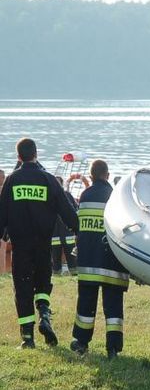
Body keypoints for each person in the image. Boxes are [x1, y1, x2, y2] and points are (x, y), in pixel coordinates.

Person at [0, 138, 78, 348]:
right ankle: (44, 314)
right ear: (36, 154)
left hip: (21, 247)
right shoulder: (49, 180)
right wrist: (78, 229)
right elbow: (68, 213)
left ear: (18, 157)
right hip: (43, 245)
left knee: (22, 288)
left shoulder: (11, 181)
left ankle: (28, 338)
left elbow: (1, 216)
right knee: (43, 284)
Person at [70, 159, 130, 358]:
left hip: (88, 263)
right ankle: (113, 348)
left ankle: (81, 342)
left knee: (86, 305)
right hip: (112, 263)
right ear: (107, 175)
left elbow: (80, 229)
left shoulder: (85, 196)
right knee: (113, 307)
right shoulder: (115, 197)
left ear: (91, 176)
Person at [51, 177, 78, 275]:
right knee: (55, 260)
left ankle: (73, 274)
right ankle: (57, 274)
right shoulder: (66, 196)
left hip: (65, 234)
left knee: (72, 259)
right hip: (56, 235)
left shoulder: (66, 195)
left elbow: (75, 211)